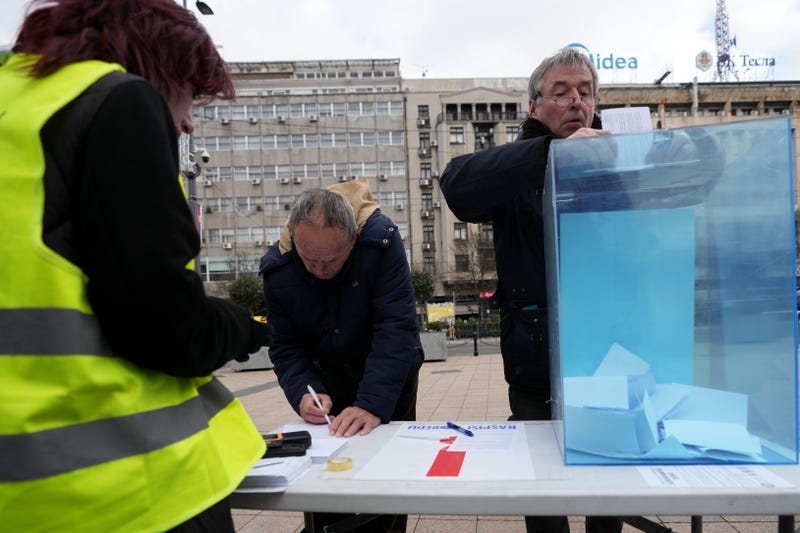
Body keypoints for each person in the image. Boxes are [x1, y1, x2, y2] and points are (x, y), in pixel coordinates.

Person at [0, 1, 273, 531]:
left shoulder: (17, 107)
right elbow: (165, 324)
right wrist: (242, 325)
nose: (190, 121)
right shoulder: (117, 100)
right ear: (158, 64)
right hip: (129, 492)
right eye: (190, 94)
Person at [439, 47, 623, 533]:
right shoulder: (517, 165)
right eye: (560, 93)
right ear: (534, 106)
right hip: (533, 358)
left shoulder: (618, 154)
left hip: (608, 353)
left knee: (607, 484)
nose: (575, 103)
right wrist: (552, 153)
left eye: (585, 93)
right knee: (541, 489)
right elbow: (456, 186)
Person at [260, 181, 424, 533]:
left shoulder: (380, 242)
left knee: (386, 478)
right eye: (309, 260)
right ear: (294, 240)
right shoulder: (278, 267)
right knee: (328, 481)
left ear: (352, 239)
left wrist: (372, 404)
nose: (319, 270)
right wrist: (304, 393)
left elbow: (396, 327)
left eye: (331, 260)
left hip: (387, 375)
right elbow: (286, 347)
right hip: (327, 377)